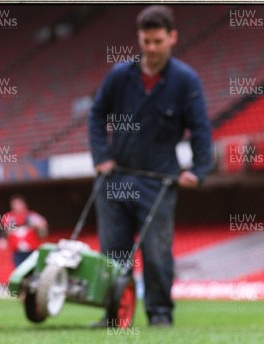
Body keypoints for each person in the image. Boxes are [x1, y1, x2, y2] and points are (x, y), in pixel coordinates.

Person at [88, 5, 212, 327]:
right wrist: (100, 156)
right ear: (139, 39)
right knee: (113, 252)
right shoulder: (120, 75)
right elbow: (96, 114)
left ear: (172, 38)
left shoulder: (185, 81)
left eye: (158, 41)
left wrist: (199, 171)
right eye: (146, 41)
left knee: (157, 253)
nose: (152, 48)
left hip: (160, 180)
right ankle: (114, 314)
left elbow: (200, 129)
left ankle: (160, 314)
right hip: (115, 176)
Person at [0, 194, 48, 267]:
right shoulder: (8, 218)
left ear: (24, 204)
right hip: (16, 252)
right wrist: (2, 238)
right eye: (15, 204)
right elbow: (2, 232)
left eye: (19, 203)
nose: (17, 206)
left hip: (32, 250)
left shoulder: (32, 216)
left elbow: (43, 229)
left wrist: (38, 226)